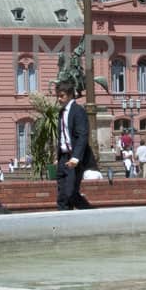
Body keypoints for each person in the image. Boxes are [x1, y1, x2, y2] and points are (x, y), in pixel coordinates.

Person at [55, 80, 93, 210]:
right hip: (63, 158)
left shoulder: (78, 111)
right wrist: (58, 156)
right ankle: (63, 225)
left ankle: (93, 217)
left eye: (62, 96)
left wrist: (76, 158)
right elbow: (62, 135)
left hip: (74, 158)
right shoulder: (61, 113)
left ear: (70, 95)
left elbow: (83, 135)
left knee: (71, 193)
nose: (59, 99)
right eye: (58, 96)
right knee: (62, 197)